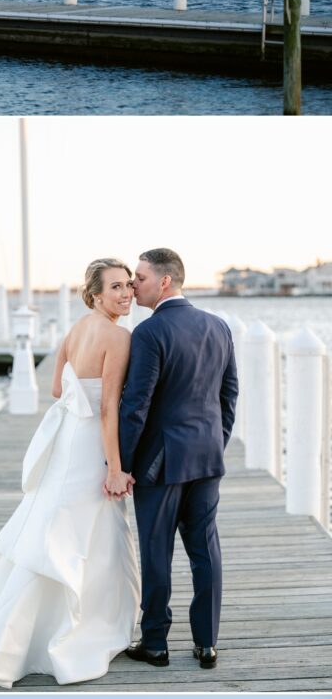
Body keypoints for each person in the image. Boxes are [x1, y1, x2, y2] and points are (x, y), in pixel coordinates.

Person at [0, 258, 140, 687]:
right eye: (116, 287)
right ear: (96, 294)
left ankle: (11, 639)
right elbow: (110, 407)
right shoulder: (119, 336)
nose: (126, 293)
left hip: (65, 439)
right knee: (80, 534)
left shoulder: (76, 330)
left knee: (54, 529)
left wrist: (83, 396)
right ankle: (67, 633)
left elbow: (58, 389)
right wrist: (115, 467)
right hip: (92, 439)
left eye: (129, 285)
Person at [119, 248, 238, 671]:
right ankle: (207, 644)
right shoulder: (218, 327)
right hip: (206, 458)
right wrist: (215, 443)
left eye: (140, 277)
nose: (134, 285)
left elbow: (136, 405)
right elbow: (229, 396)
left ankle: (155, 643)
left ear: (164, 282)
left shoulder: (150, 333)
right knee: (206, 551)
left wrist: (124, 463)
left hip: (159, 463)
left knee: (156, 552)